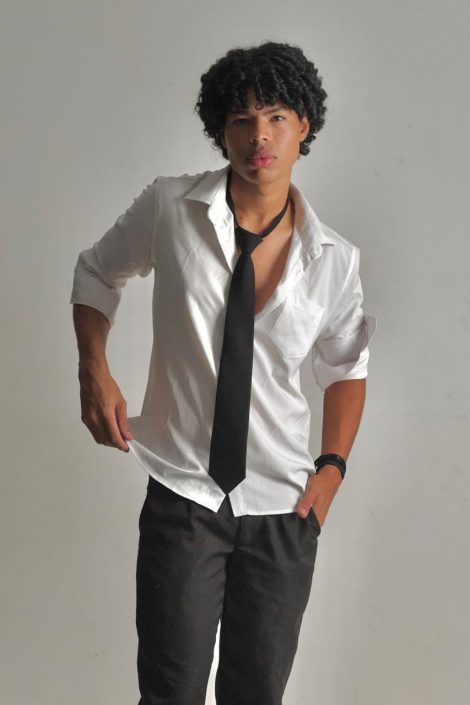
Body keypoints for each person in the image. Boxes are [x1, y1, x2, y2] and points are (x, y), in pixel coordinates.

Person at [70, 41, 377, 705]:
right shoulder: (170, 208)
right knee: (170, 692)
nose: (258, 135)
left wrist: (331, 469)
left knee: (256, 694)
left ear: (304, 125)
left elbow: (346, 366)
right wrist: (94, 367)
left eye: (276, 116)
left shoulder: (334, 260)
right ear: (221, 131)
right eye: (241, 120)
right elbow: (95, 271)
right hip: (185, 493)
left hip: (283, 507)